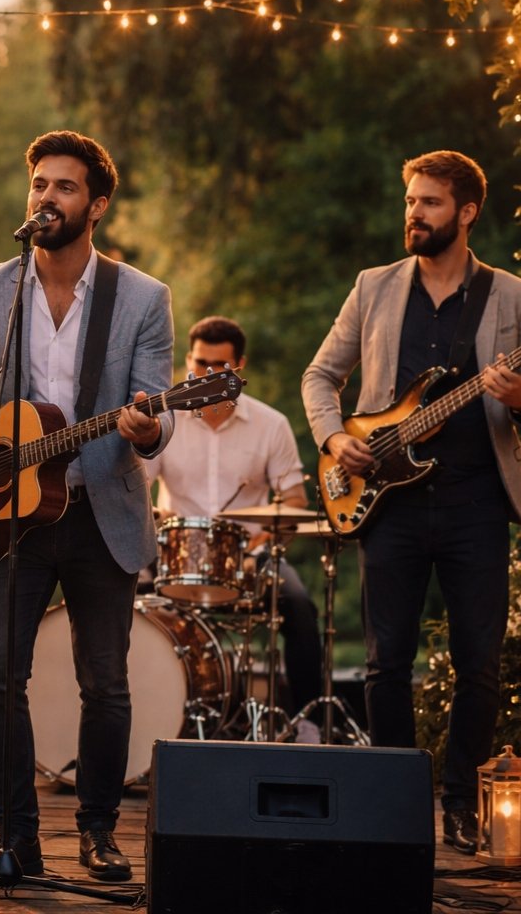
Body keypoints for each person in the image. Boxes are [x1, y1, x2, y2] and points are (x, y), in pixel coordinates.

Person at [0, 130, 173, 882]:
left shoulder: (142, 298)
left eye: (65, 187)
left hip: (100, 513)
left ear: (98, 205)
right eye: (39, 185)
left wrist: (150, 425)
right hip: (7, 515)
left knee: (106, 684)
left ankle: (99, 831)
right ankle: (15, 836)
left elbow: (161, 410)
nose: (47, 197)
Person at [301, 149, 521, 853]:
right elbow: (321, 376)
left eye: (430, 203)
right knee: (388, 663)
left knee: (480, 663)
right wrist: (332, 439)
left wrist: (520, 398)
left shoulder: (513, 296)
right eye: (411, 201)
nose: (413, 214)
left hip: (478, 504)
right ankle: (394, 803)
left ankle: (462, 804)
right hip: (391, 502)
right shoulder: (374, 285)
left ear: (467, 213)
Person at [140, 315, 324, 741]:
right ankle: (134, 722)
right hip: (173, 557)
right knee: (119, 601)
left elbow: (293, 503)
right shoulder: (165, 419)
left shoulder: (271, 424)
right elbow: (137, 492)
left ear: (238, 367)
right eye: (199, 364)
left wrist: (255, 542)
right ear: (187, 360)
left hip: (248, 558)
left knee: (298, 603)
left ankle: (307, 723)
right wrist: (159, 520)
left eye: (217, 368)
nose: (206, 375)